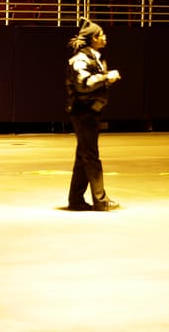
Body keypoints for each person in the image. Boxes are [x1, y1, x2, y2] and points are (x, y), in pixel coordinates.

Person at [64, 19, 121, 211]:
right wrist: (106, 77)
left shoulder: (93, 57)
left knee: (83, 157)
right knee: (91, 156)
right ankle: (100, 200)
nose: (105, 36)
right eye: (101, 34)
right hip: (83, 113)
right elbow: (84, 84)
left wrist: (105, 79)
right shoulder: (80, 59)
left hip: (90, 112)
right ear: (93, 38)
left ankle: (76, 200)